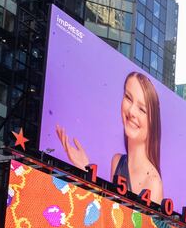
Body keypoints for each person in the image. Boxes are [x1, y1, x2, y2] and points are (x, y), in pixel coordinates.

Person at [56, 71, 164, 199]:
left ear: (153, 123)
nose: (131, 111)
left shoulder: (153, 183)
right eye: (128, 98)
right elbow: (111, 211)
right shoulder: (117, 161)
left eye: (142, 109)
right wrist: (86, 170)